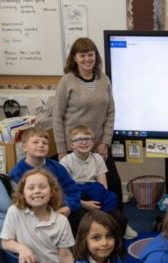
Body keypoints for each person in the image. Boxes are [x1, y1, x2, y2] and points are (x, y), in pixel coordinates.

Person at [53, 37, 124, 213]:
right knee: (76, 191)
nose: (87, 59)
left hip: (99, 146)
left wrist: (105, 143)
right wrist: (62, 150)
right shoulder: (67, 81)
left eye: (90, 55)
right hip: (73, 147)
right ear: (75, 58)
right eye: (82, 55)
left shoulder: (104, 79)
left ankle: (117, 223)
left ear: (96, 56)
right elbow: (57, 116)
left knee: (113, 187)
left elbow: (111, 112)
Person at [0, 169, 75, 263]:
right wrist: (21, 248)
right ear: (22, 193)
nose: (37, 191)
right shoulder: (15, 212)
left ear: (52, 191)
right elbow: (5, 242)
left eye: (42, 187)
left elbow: (65, 256)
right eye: (31, 187)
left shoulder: (61, 221)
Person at [9, 127, 83, 230]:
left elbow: (73, 191)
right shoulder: (17, 173)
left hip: (61, 211)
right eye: (35, 142)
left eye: (45, 143)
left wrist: (68, 207)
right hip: (33, 216)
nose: (41, 145)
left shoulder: (57, 167)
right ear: (24, 147)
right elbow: (18, 201)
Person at [59, 125, 128, 235]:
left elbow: (103, 185)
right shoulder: (65, 162)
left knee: (119, 218)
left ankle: (114, 244)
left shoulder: (98, 158)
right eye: (79, 140)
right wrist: (85, 204)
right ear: (72, 145)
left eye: (87, 139)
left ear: (93, 142)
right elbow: (65, 192)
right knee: (83, 222)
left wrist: (99, 203)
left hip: (95, 193)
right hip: (77, 197)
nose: (84, 142)